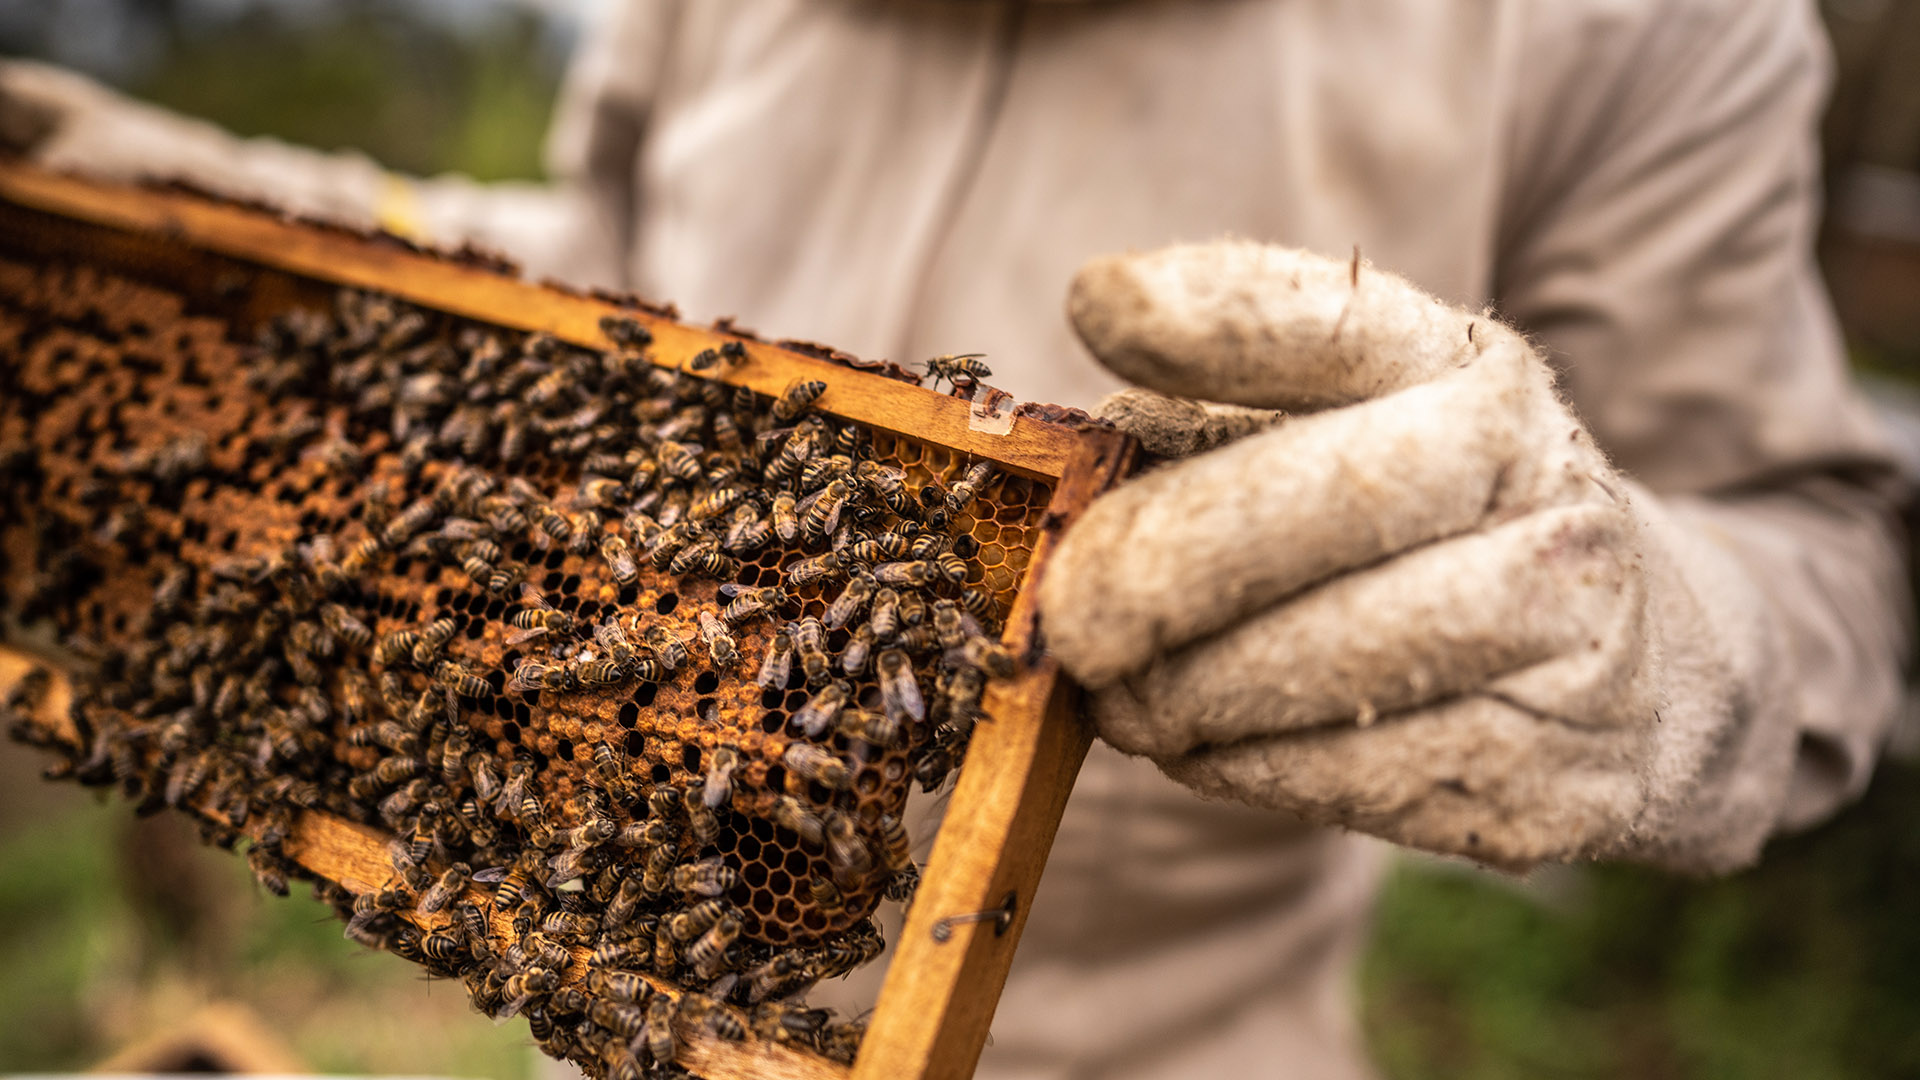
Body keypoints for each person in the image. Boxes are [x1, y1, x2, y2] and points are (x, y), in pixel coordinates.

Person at [2, 1, 1908, 1076]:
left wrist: (1661, 647)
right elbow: (618, 310)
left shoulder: (1652, 32)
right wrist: (159, 203)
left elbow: (1827, 557)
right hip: (631, 990)